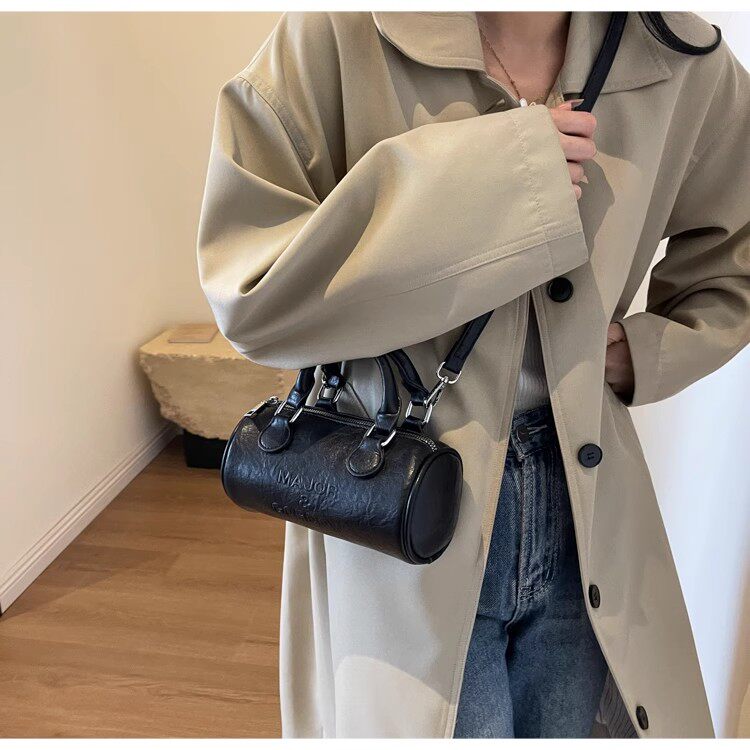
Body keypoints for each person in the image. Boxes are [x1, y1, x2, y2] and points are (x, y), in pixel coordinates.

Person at [197, 11, 750, 738]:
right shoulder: (336, 36)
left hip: (587, 505)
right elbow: (249, 291)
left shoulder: (679, 57)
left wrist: (644, 351)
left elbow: (736, 252)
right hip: (396, 499)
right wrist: (501, 177)